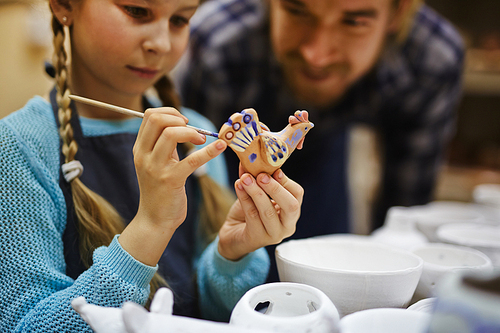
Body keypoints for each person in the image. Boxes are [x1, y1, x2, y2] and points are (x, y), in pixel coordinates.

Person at [0, 0, 304, 331]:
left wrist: (233, 253)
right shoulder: (21, 145)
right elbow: (25, 326)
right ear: (64, 6)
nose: (160, 43)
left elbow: (215, 311)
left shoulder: (197, 132)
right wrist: (151, 226)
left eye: (179, 20)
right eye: (137, 11)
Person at [173, 0, 464, 281]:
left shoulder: (432, 57)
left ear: (397, 12)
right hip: (235, 171)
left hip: (327, 158)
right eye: (296, 10)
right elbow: (191, 218)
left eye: (354, 21)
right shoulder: (216, 42)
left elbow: (404, 213)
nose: (317, 54)